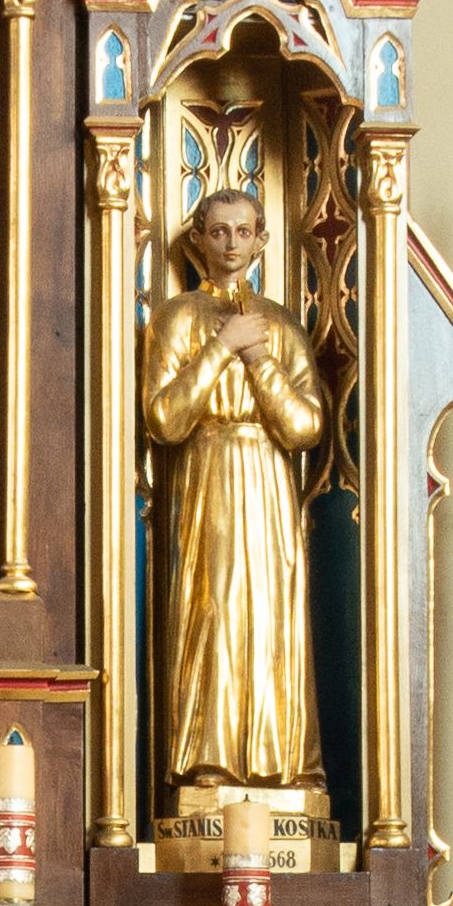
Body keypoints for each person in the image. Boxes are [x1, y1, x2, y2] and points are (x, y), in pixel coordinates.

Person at [142, 186, 327, 798]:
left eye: (243, 231)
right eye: (218, 231)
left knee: (273, 619)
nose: (230, 244)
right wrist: (221, 348)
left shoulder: (281, 324)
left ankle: (284, 767)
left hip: (269, 481)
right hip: (208, 475)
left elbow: (305, 427)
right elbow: (165, 419)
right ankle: (208, 762)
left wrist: (259, 359)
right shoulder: (177, 318)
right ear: (198, 239)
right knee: (213, 608)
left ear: (262, 241)